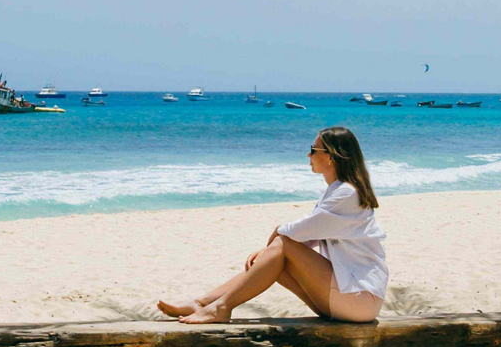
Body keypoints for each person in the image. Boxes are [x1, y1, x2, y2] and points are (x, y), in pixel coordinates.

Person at [158, 126, 387, 325]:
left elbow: (294, 233)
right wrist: (269, 252)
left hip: (360, 299)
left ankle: (219, 307)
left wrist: (275, 236)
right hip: (347, 300)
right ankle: (204, 303)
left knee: (283, 244)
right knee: (275, 258)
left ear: (331, 157)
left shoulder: (347, 193)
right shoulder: (337, 191)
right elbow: (307, 237)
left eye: (314, 149)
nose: (308, 154)